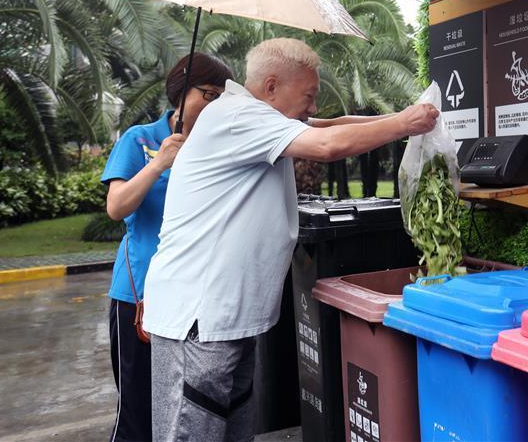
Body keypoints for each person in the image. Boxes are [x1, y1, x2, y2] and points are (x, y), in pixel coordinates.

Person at [142, 38, 438, 442]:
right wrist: (405, 125)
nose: (313, 107)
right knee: (193, 432)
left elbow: (330, 126)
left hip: (225, 319)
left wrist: (407, 116)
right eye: (309, 96)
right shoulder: (238, 116)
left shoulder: (258, 117)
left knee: (230, 430)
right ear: (271, 87)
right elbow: (329, 146)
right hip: (198, 319)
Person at [101, 52, 234, 442]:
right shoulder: (139, 139)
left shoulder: (216, 146)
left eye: (222, 98)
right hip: (140, 298)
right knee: (137, 413)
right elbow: (116, 206)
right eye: (209, 94)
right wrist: (159, 163)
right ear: (181, 90)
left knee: (182, 411)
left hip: (195, 300)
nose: (215, 105)